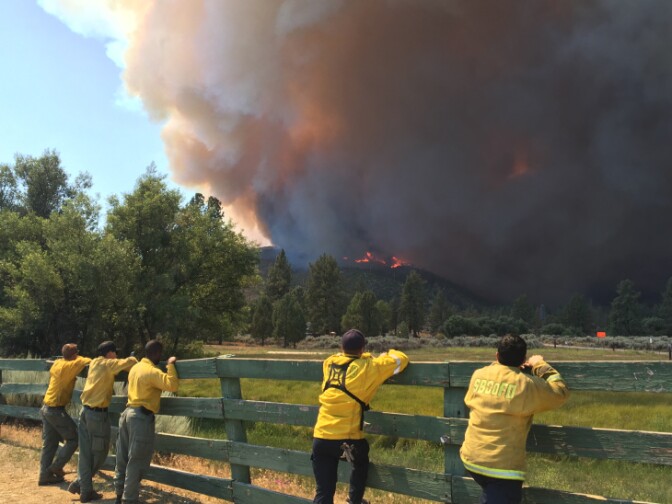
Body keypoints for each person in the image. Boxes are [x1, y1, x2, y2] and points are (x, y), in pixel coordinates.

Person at [460, 334, 570, 504]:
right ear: (523, 359)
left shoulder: (478, 374)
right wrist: (539, 364)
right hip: (501, 469)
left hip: (471, 458)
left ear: (497, 356)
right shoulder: (525, 384)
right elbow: (560, 391)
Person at [311, 329, 410, 504]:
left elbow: (341, 357)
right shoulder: (368, 368)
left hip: (320, 437)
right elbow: (401, 359)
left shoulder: (329, 363)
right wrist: (386, 353)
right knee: (361, 460)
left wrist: (362, 356)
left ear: (341, 347)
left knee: (323, 493)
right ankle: (354, 500)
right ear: (362, 348)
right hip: (346, 439)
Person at [67, 341, 138, 502]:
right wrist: (132, 357)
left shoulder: (94, 362)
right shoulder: (108, 364)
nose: (117, 355)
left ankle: (85, 489)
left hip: (85, 412)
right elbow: (130, 363)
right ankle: (82, 484)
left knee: (85, 454)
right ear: (110, 353)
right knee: (100, 451)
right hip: (97, 415)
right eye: (115, 352)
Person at [114, 340, 178, 504]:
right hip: (140, 418)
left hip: (127, 414)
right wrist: (170, 365)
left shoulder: (135, 368)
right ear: (157, 354)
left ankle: (119, 494)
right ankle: (129, 499)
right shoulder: (151, 371)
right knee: (137, 459)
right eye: (160, 354)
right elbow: (172, 385)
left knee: (122, 457)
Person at [39, 343, 91, 486]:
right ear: (74, 355)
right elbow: (88, 361)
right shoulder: (72, 365)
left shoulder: (58, 363)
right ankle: (55, 467)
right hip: (56, 409)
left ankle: (44, 475)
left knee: (49, 443)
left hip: (46, 407)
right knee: (74, 438)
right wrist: (79, 357)